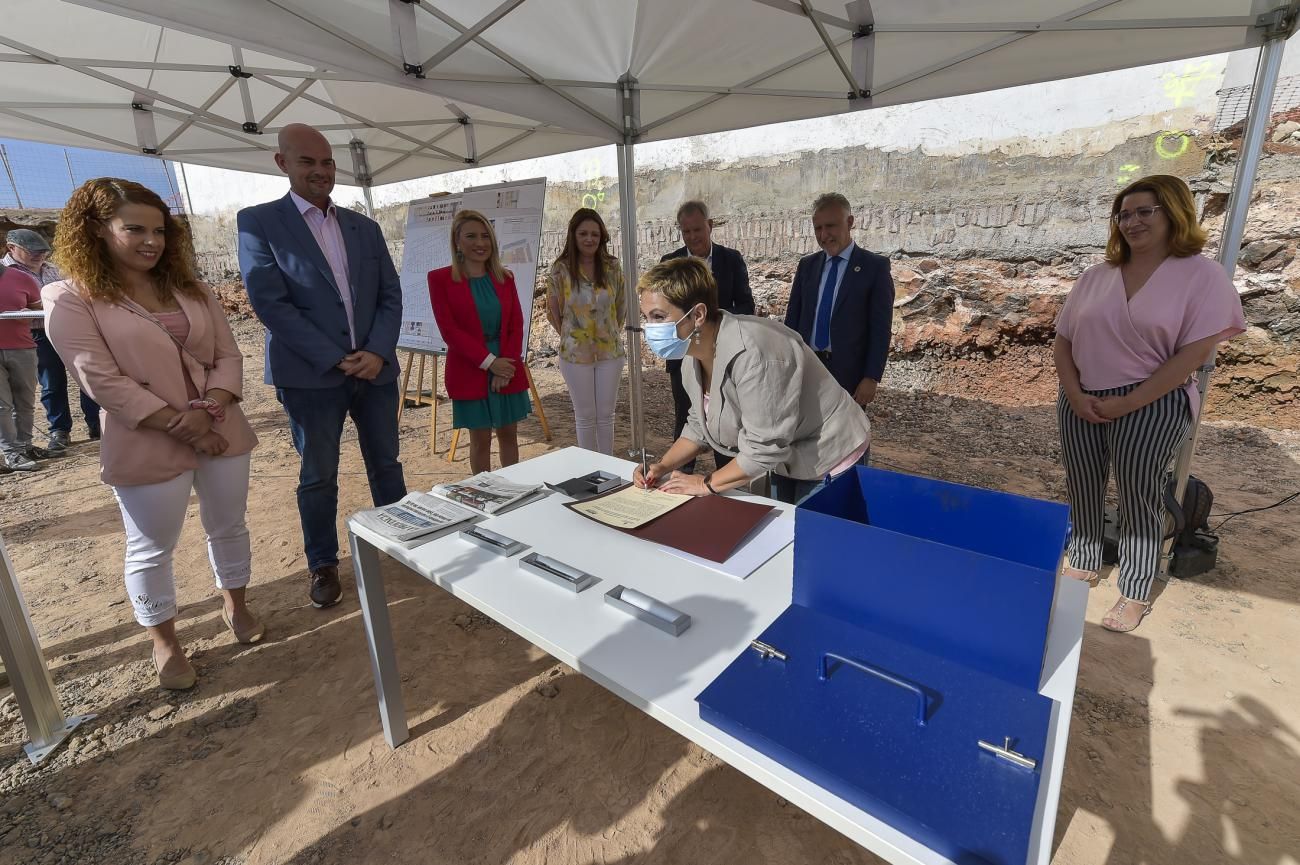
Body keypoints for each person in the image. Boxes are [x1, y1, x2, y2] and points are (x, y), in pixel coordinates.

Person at [43, 178, 262, 690]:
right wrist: (183, 426)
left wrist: (213, 411)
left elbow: (229, 355)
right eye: (134, 228)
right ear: (96, 230)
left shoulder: (194, 288)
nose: (152, 241)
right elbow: (99, 379)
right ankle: (164, 639)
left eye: (160, 230)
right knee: (151, 546)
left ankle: (236, 606)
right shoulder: (70, 298)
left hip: (220, 425)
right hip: (146, 435)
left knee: (229, 524)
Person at [1054, 174, 1245, 633]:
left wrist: (1129, 402)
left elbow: (1192, 356)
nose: (1131, 222)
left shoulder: (1202, 275)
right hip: (1081, 398)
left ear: (1173, 213)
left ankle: (1136, 587)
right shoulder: (1095, 276)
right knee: (1083, 481)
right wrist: (1076, 394)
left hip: (1151, 402)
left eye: (1144, 212)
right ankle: (1084, 556)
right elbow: (1063, 341)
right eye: (1124, 214)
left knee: (1140, 493)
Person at [238, 124, 407, 610]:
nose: (320, 171)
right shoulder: (259, 222)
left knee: (387, 463)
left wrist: (375, 351)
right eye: (307, 162)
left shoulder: (364, 227)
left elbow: (390, 296)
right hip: (312, 376)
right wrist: (336, 357)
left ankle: (399, 544)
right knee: (318, 473)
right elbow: (271, 304)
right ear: (282, 163)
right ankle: (323, 563)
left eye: (327, 162)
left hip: (375, 372)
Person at [632, 258, 871, 505]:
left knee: (811, 539)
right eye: (646, 317)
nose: (650, 328)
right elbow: (698, 425)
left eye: (658, 316)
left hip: (829, 453)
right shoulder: (691, 353)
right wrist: (661, 466)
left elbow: (764, 449)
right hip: (785, 456)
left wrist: (705, 484)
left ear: (698, 314)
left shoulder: (756, 354)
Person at [428, 210, 531, 473]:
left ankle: (513, 490)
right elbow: (449, 331)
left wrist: (505, 367)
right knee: (480, 439)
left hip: (506, 364)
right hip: (470, 366)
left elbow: (514, 325)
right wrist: (490, 364)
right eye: (471, 236)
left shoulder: (505, 277)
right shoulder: (440, 279)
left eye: (485, 236)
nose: (480, 242)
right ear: (457, 241)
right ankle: (485, 496)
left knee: (509, 434)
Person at [660, 200, 754, 474]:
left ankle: (726, 480)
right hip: (684, 356)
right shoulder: (670, 263)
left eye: (697, 230)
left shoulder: (731, 260)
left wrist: (713, 323)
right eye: (686, 232)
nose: (692, 237)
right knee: (686, 416)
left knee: (725, 418)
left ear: (710, 226)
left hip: (724, 357)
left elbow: (747, 306)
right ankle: (681, 474)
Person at [784, 192, 894, 407]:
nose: (824, 235)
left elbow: (880, 329)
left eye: (831, 226)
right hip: (808, 368)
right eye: (818, 228)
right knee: (807, 434)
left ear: (849, 222)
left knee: (848, 437)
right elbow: (792, 321)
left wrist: (871, 377)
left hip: (849, 375)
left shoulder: (874, 268)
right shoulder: (807, 267)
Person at [4, 228, 101, 451]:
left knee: (85, 375)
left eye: (43, 252)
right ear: (12, 248)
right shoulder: (5, 273)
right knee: (51, 383)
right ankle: (60, 430)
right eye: (32, 252)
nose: (39, 256)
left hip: (65, 329)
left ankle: (96, 423)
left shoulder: (53, 270)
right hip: (33, 334)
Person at [544, 208, 626, 455]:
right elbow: (553, 311)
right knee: (585, 416)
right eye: (583, 234)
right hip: (575, 355)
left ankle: (608, 467)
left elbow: (620, 306)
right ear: (573, 235)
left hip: (609, 353)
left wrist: (606, 334)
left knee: (606, 415)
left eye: (595, 234)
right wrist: (571, 336)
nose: (589, 239)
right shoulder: (560, 270)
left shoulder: (612, 268)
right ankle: (590, 470)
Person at [0, 258, 47, 472]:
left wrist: (24, 315)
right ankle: (11, 454)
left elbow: (39, 309)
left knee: (26, 401)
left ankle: (24, 446)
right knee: (2, 406)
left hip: (22, 348)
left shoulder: (21, 278)